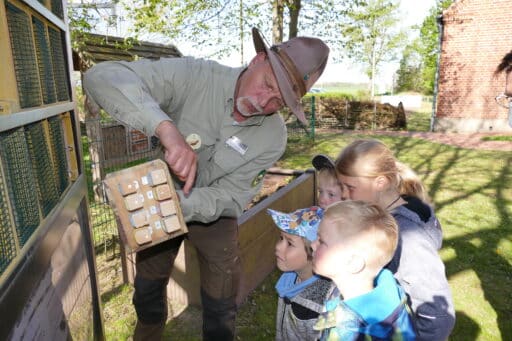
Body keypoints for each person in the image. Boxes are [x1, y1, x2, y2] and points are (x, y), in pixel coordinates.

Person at [83, 28, 329, 341]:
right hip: (162, 193)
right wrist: (166, 129)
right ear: (258, 58)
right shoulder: (195, 75)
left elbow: (233, 196)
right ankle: (147, 334)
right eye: (267, 84)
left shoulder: (273, 137)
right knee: (147, 290)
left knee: (221, 302)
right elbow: (102, 77)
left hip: (215, 214)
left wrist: (181, 205)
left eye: (277, 101)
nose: (263, 101)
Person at [334, 139, 455, 341]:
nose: (344, 194)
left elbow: (438, 315)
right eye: (341, 186)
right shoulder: (383, 216)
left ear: (380, 183)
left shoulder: (408, 236)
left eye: (349, 187)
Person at [311, 200, 416, 340]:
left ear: (354, 263)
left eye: (321, 241)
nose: (312, 245)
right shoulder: (389, 296)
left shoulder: (355, 333)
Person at [267, 206, 333, 341]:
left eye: (289, 243)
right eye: (281, 238)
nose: (278, 246)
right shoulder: (291, 278)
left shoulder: (317, 307)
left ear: (314, 250)